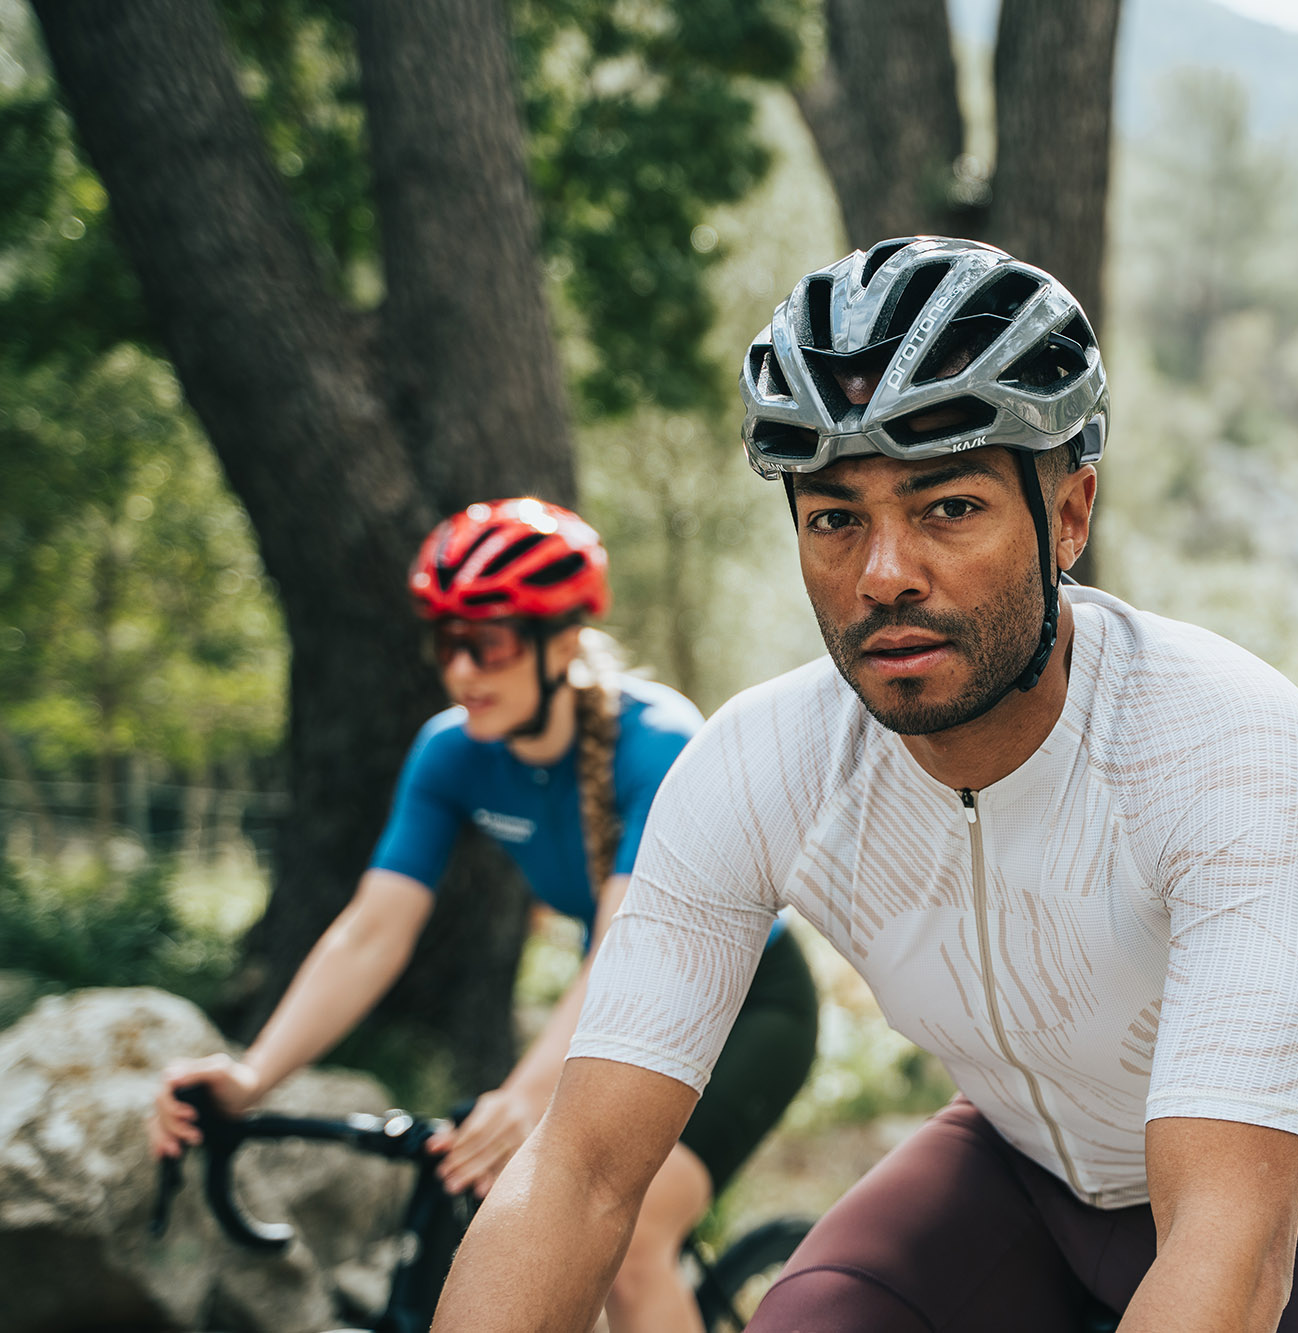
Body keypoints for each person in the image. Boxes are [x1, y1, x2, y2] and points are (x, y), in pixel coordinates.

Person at [434, 237, 1298, 1333]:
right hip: (1019, 1169)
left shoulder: (1224, 742)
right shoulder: (756, 766)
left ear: (1069, 514)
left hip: (1287, 1184)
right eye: (834, 518)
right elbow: (578, 1173)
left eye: (947, 507)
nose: (883, 572)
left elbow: (1226, 1248)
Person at [148, 498, 818, 1333]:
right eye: (447, 640)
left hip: (752, 1003)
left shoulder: (659, 742)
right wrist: (252, 1076)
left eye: (488, 642)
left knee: (636, 1237)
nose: (462, 670)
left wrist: (528, 1092)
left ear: (563, 640)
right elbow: (370, 932)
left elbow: (627, 948)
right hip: (617, 993)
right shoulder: (451, 751)